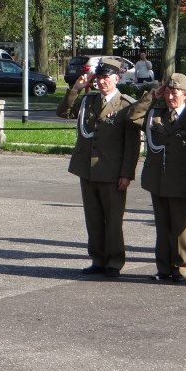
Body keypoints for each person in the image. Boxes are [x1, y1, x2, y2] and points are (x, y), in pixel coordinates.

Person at [57, 58, 140, 278]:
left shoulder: (126, 105)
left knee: (113, 220)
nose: (102, 82)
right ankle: (98, 258)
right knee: (93, 218)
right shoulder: (88, 101)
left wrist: (126, 174)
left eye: (107, 78)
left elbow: (132, 145)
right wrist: (75, 88)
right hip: (88, 168)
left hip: (112, 172)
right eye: (100, 78)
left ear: (117, 78)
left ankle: (114, 261)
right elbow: (64, 112)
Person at [128, 73, 186, 283]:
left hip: (183, 180)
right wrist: (152, 95)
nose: (170, 97)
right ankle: (164, 267)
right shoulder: (156, 113)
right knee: (163, 227)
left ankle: (183, 268)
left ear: (185, 94)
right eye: (167, 92)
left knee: (182, 229)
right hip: (158, 179)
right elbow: (132, 116)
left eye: (175, 92)